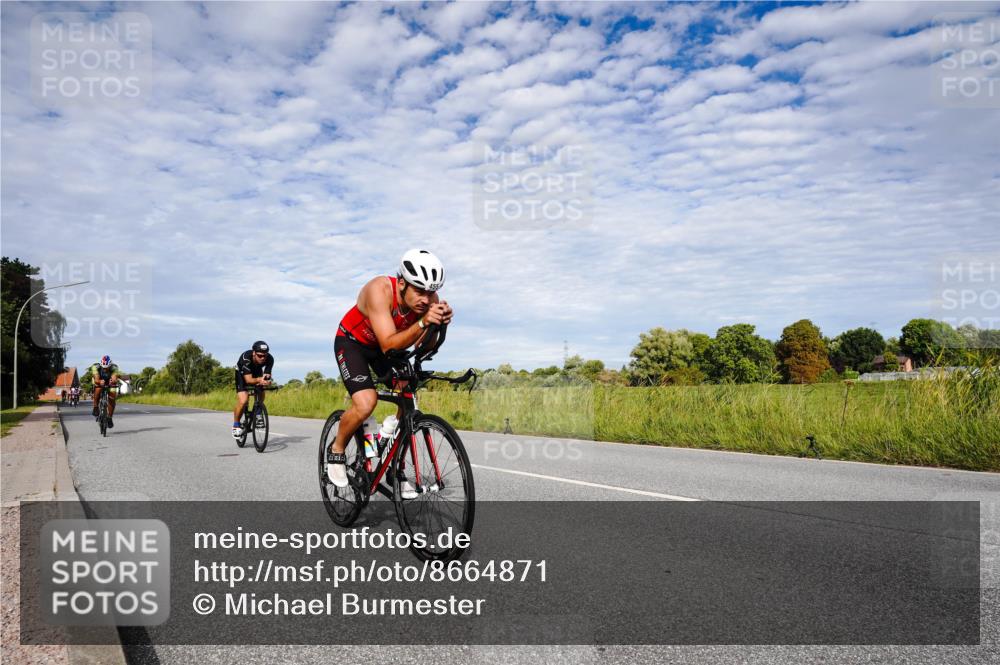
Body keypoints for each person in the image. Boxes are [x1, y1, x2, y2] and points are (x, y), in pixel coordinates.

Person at [327, 249, 453, 497]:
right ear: (403, 283)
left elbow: (422, 347)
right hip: (353, 343)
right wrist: (423, 322)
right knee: (366, 403)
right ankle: (337, 449)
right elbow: (388, 344)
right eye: (419, 290)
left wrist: (437, 327)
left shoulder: (430, 300)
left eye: (430, 292)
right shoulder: (379, 290)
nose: (426, 299)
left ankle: (394, 463)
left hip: (387, 348)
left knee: (408, 398)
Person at [232, 341, 274, 438]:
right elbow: (249, 380)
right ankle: (236, 424)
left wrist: (267, 381)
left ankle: (258, 412)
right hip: (242, 375)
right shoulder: (246, 358)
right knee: (244, 400)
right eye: (260, 356)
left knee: (261, 389)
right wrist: (260, 379)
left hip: (257, 371)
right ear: (254, 353)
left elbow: (267, 376)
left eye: (264, 356)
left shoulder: (270, 359)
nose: (263, 358)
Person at [91, 355, 120, 427]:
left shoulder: (114, 367)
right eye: (103, 368)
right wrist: (99, 381)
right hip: (98, 380)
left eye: (106, 368)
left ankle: (109, 418)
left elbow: (114, 378)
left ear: (110, 366)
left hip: (109, 382)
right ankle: (95, 407)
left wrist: (113, 380)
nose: (104, 370)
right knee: (98, 388)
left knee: (112, 397)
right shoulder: (95, 367)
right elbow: (96, 378)